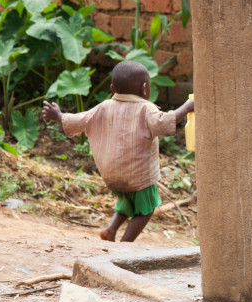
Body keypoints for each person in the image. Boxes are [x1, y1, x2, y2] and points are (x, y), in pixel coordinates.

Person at [42, 60, 194, 242]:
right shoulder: (146, 109)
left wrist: (58, 116)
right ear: (145, 88)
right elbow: (163, 123)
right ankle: (126, 243)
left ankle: (111, 229)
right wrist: (187, 107)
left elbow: (80, 120)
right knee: (147, 208)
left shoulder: (103, 106)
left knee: (127, 201)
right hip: (139, 175)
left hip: (112, 174)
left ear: (112, 88)